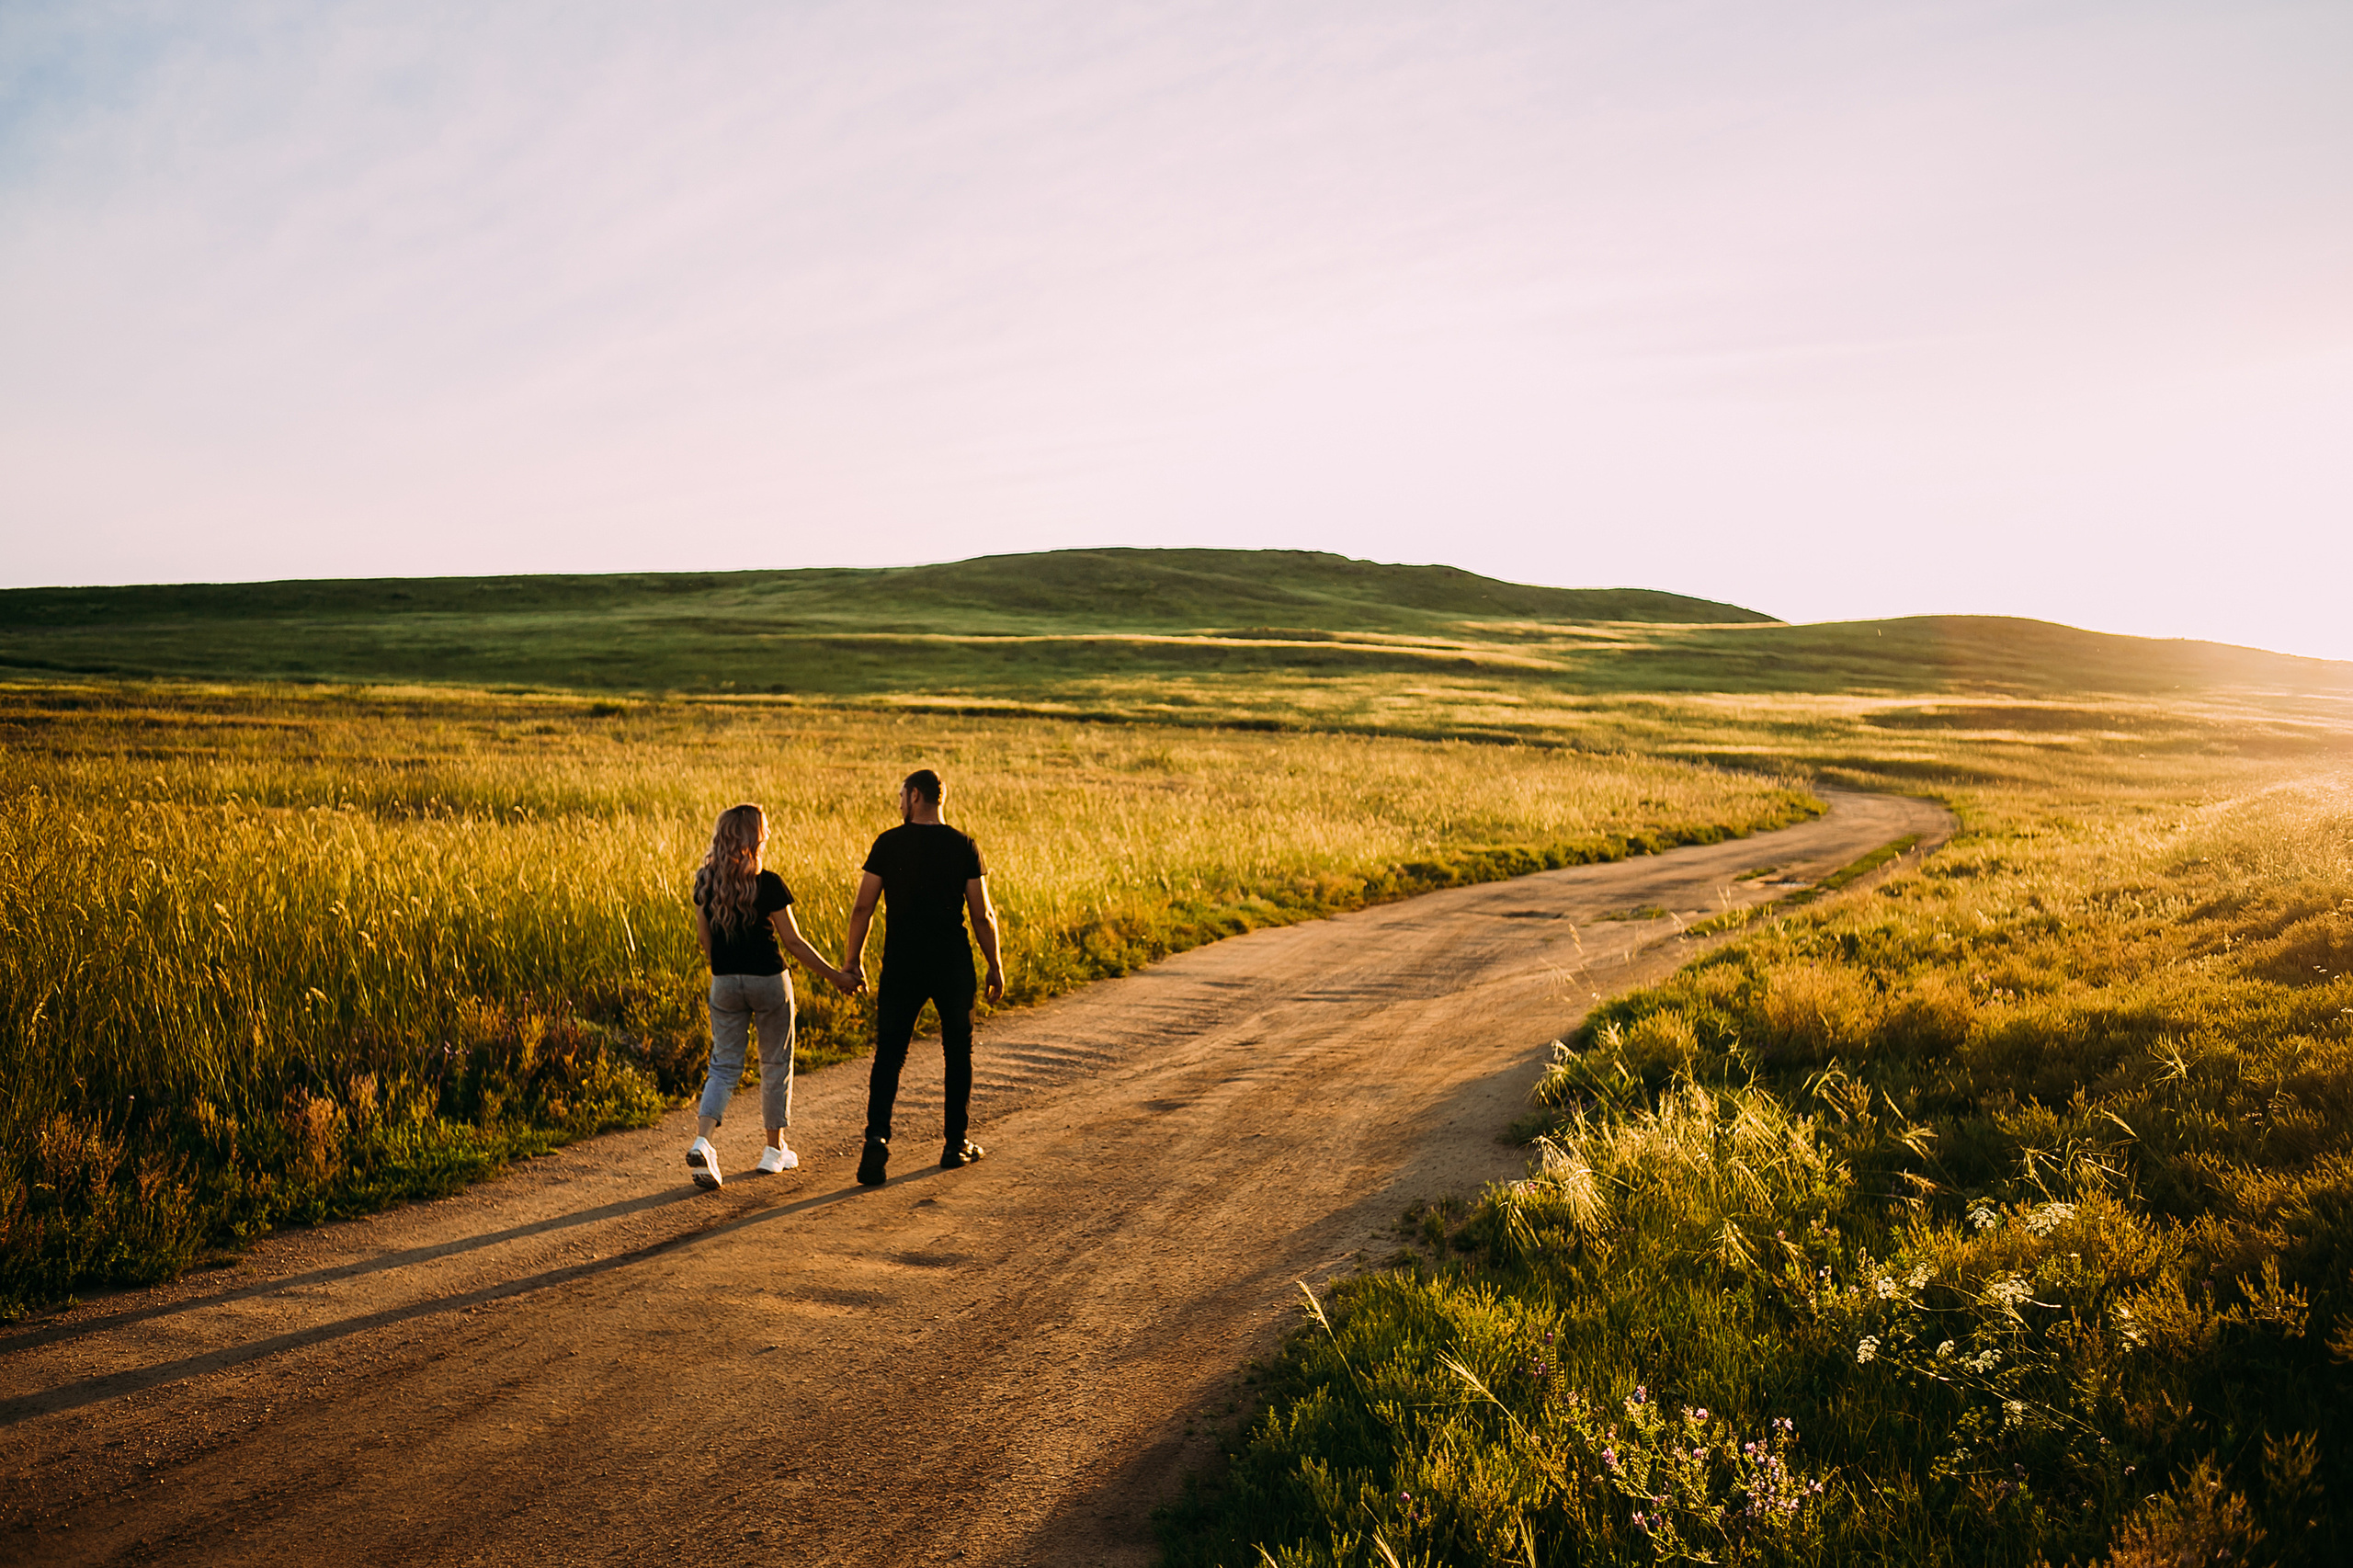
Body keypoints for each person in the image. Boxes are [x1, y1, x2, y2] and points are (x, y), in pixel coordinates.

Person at [843, 767, 1005, 1186]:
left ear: (915, 796)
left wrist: (852, 960)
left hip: (902, 963)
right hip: (952, 963)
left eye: (901, 795)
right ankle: (956, 1143)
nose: (898, 803)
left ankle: (876, 1142)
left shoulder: (888, 844)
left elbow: (863, 907)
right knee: (958, 1051)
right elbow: (982, 914)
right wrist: (995, 964)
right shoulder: (963, 845)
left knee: (890, 1055)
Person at [687, 803, 859, 1190]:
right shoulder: (769, 883)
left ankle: (704, 1142)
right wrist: (836, 976)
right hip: (769, 981)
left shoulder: (704, 882)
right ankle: (773, 1150)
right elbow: (793, 942)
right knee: (775, 1063)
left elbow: (705, 940)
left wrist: (727, 972)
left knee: (724, 1065)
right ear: (755, 837)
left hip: (724, 982)